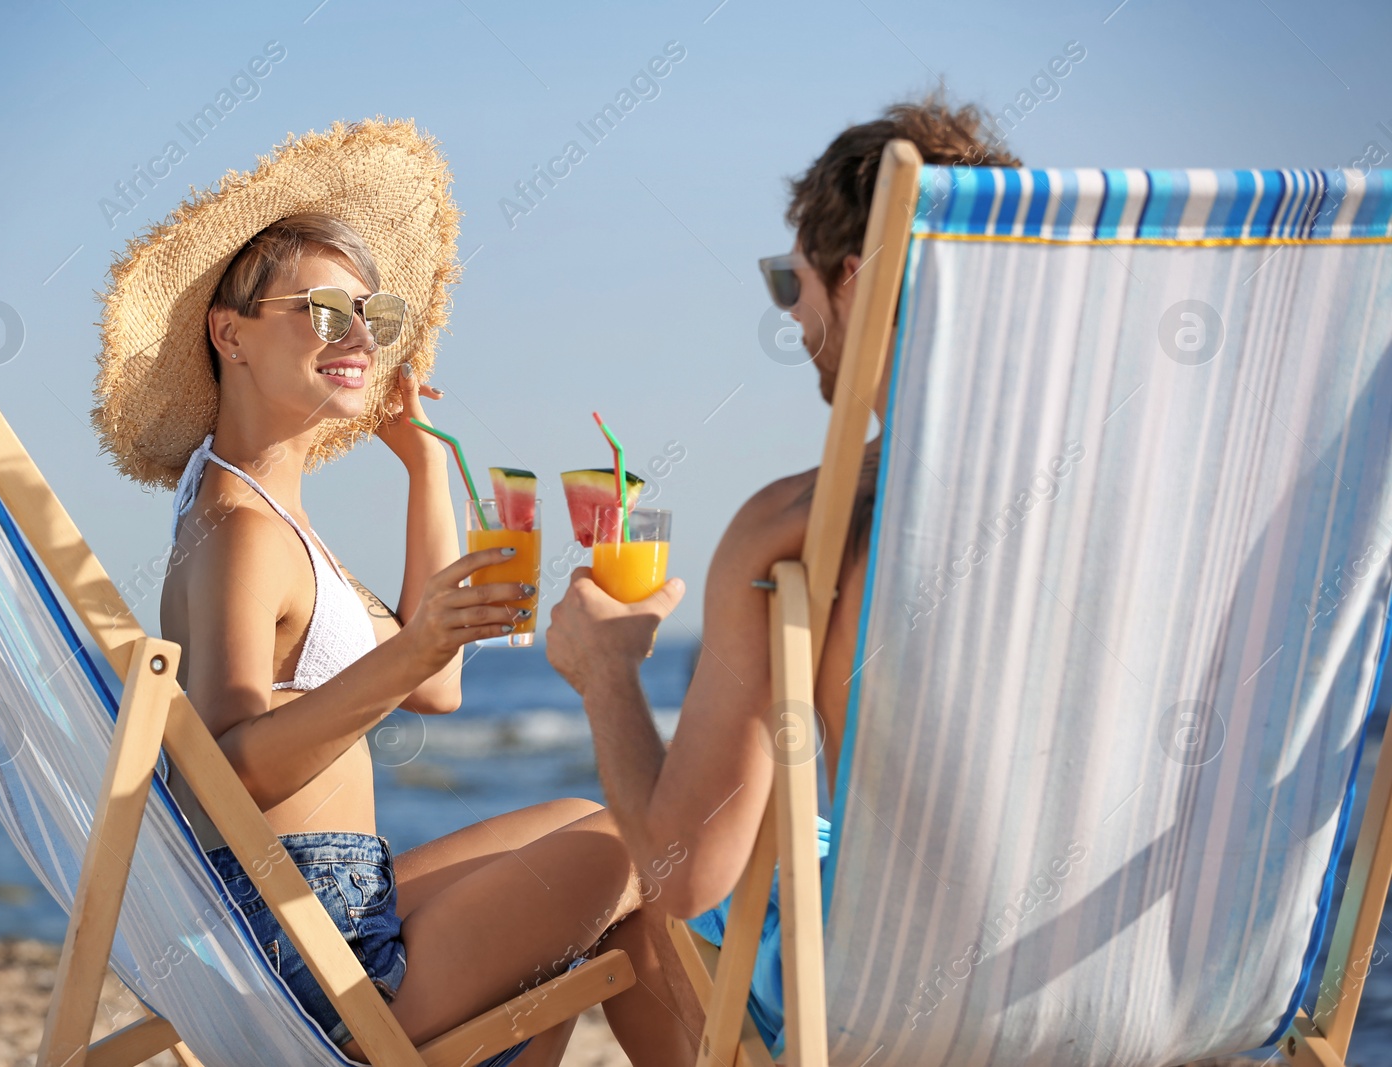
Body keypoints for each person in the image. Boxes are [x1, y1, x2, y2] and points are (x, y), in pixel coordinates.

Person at [91, 119, 698, 1066]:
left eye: (371, 316)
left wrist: (422, 469)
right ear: (231, 332)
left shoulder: (266, 515)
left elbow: (437, 685)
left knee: (594, 821)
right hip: (321, 964)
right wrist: (417, 647)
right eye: (324, 310)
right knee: (642, 849)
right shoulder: (242, 533)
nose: (359, 336)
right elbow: (238, 767)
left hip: (322, 912)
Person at [542, 97, 1022, 1056]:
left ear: (852, 278)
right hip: (1151, 985)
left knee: (640, 913)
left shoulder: (796, 528)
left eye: (788, 282)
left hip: (894, 1011)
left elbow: (686, 871)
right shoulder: (1168, 498)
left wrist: (604, 673)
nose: (796, 317)